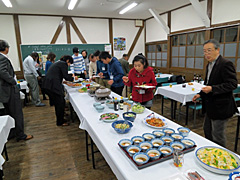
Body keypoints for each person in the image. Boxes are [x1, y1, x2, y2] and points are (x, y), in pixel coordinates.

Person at [192, 39, 238, 147]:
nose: (206, 54)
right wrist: (200, 94)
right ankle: (210, 152)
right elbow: (208, 83)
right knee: (207, 130)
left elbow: (232, 84)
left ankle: (220, 159)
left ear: (217, 50)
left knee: (218, 135)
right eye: (204, 51)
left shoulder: (226, 64)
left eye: (209, 50)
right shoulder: (209, 65)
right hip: (210, 105)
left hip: (221, 106)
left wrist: (212, 89)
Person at [0, 39, 33, 141]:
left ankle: (12, 133)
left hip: (5, 91)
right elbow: (2, 72)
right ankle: (20, 134)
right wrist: (13, 82)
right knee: (17, 113)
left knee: (9, 113)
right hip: (9, 90)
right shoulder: (2, 58)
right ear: (6, 48)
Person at [42, 55, 76, 126]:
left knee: (60, 102)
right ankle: (60, 122)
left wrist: (64, 81)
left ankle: (61, 118)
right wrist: (73, 79)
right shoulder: (63, 64)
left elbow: (58, 75)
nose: (69, 65)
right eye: (69, 63)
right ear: (67, 61)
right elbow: (66, 76)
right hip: (52, 86)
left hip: (48, 84)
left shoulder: (59, 63)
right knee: (59, 103)